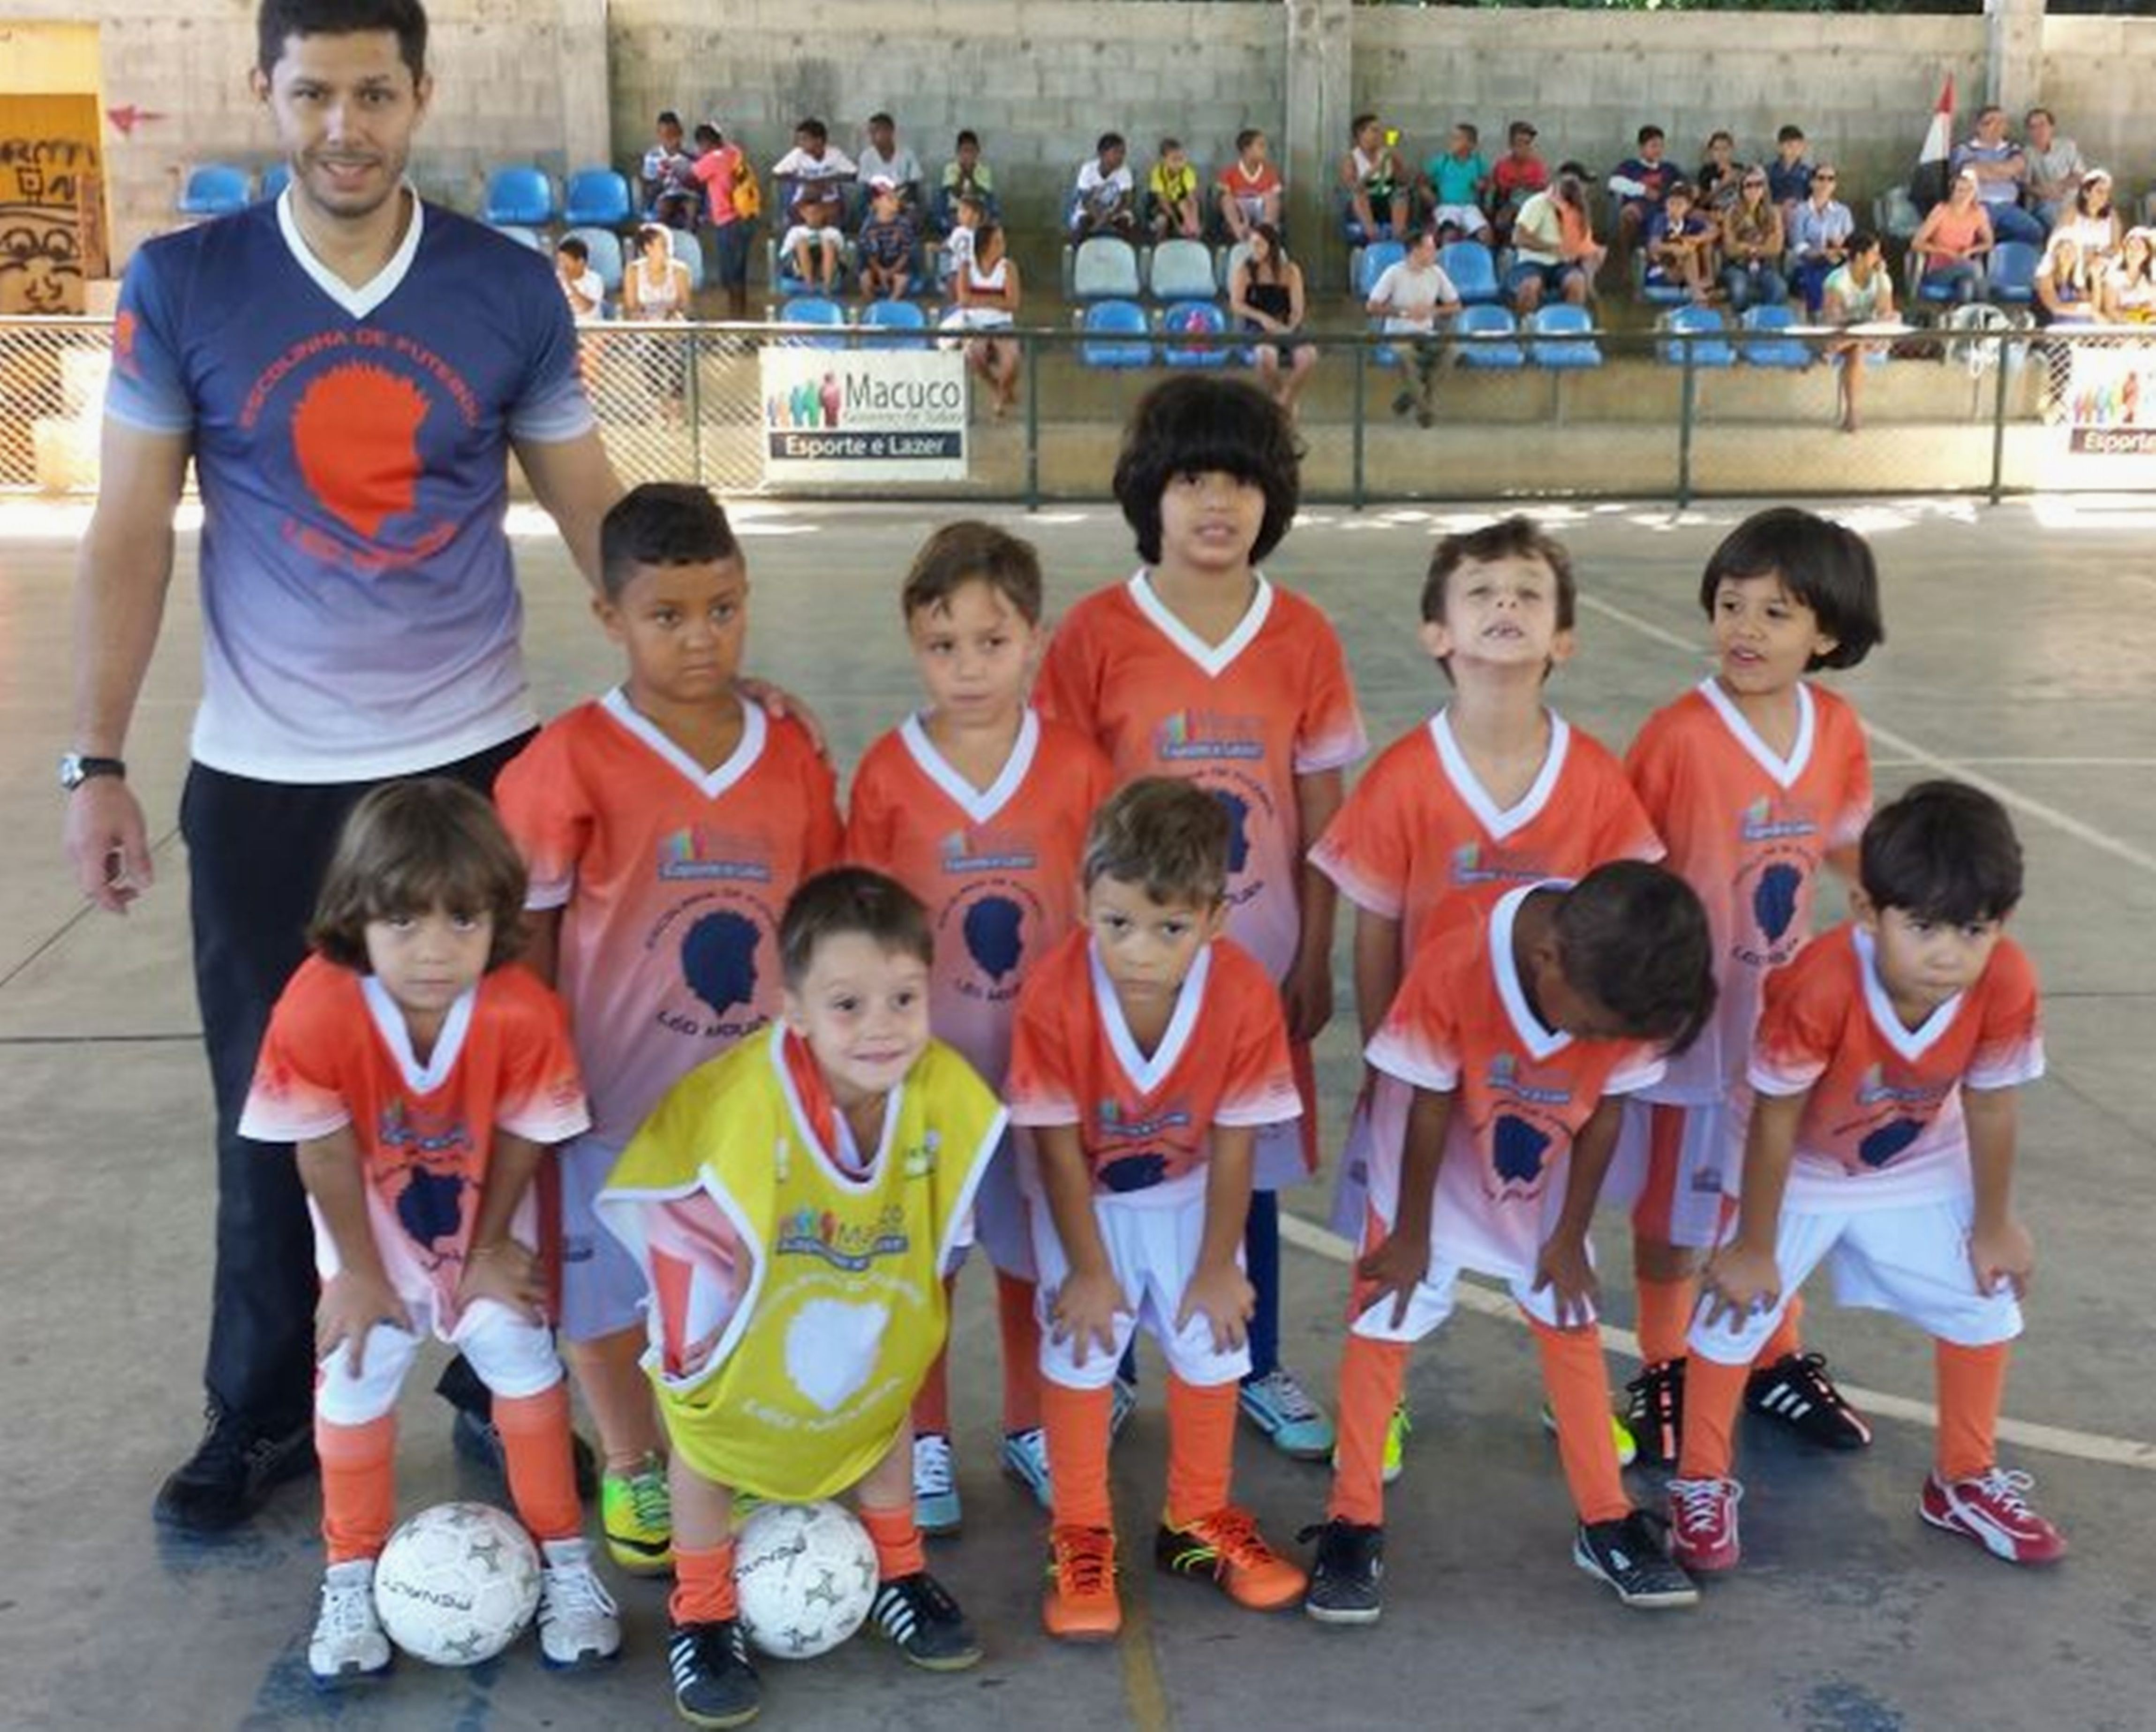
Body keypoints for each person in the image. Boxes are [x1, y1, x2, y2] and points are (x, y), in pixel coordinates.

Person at [72, 0, 622, 1537]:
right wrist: (95, 759)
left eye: (374, 93)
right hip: (265, 778)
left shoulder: (503, 286)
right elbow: (128, 531)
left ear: (420, 95)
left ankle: (498, 1371)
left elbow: (590, 503)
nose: (343, 126)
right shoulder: (186, 283)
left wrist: (689, 688)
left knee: (506, 1087)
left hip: (473, 763)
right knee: (274, 1107)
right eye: (312, 92)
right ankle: (263, 1407)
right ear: (266, 88)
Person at [495, 484, 840, 1580]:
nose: (701, 638)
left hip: (752, 1106)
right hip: (609, 1099)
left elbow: (823, 925)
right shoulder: (566, 761)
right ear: (610, 617)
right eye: (668, 615)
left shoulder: (790, 752)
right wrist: (539, 1083)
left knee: (747, 1283)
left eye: (723, 609)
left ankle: (728, 1445)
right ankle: (631, 1457)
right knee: (601, 1299)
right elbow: (528, 938)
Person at [1037, 377, 1367, 1468]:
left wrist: (1314, 948)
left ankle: (1249, 1354)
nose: (1216, 504)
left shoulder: (1303, 635)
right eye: (1190, 480)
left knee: (1245, 1158)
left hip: (1252, 962)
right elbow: (1064, 806)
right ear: (1150, 493)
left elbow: (1320, 806)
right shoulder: (1095, 633)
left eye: (1238, 481)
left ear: (1272, 497)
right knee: (1124, 1155)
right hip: (1125, 963)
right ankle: (1114, 1367)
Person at [598, 868, 1005, 1724]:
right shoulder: (741, 1107)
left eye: (903, 999)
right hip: (720, 1266)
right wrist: (709, 1345)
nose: (881, 1026)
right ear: (794, 1007)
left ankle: (901, 1570)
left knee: (881, 1403)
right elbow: (685, 1218)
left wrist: (891, 1313)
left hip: (853, 1267)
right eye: (847, 1004)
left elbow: (940, 1220)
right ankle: (702, 1612)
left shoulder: (941, 1091)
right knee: (711, 1439)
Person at [240, 779, 619, 1686]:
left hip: (485, 1228)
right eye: (403, 920)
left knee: (523, 1368)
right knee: (354, 1374)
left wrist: (486, 1250)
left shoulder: (521, 1010)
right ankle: (349, 1571)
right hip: (369, 1238)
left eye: (462, 918)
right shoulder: (316, 1007)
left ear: (498, 916)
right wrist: (358, 1274)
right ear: (356, 914)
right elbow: (322, 1149)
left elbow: (526, 1132)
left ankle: (565, 1560)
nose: (434, 948)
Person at [1309, 517, 1664, 1479]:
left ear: (1563, 638)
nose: (1504, 602)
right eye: (1480, 591)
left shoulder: (1593, 781)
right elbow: (1375, 925)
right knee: (1396, 1239)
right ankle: (1378, 1401)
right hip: (1432, 1062)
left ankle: (1570, 1395)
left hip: (1548, 1081)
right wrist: (1387, 1060)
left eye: (1527, 592)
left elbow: (1628, 920)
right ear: (1437, 632)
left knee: (1554, 1241)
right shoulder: (1403, 776)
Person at [1301, 862, 1716, 1625]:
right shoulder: (1458, 959)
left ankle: (1605, 1518)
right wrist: (1412, 1234)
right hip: (1424, 1171)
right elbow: (1428, 1105)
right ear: (1545, 961)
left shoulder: (1619, 980)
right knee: (1382, 1318)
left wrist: (1568, 1234)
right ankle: (1351, 1520)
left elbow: (1605, 1112)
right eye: (1591, 1030)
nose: (1598, 1043)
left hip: (1539, 1173)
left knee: (1570, 1319)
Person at [1668, 782, 2066, 1574]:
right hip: (1796, 1161)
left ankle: (1961, 1477)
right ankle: (1700, 1480)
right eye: (1921, 926)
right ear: (1864, 909)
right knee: (1735, 1306)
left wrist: (1994, 1223)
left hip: (1915, 1157)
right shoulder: (1819, 985)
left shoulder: (2005, 980)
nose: (1946, 953)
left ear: (2002, 922)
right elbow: (1775, 1118)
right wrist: (1752, 1244)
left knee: (1983, 1296)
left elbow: (1991, 1104)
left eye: (1972, 929)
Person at [846, 522, 1116, 1535]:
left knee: (1031, 1253)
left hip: (1043, 1071)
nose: (967, 666)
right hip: (927, 1074)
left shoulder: (1078, 767)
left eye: (991, 641)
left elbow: (1107, 915)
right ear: (913, 645)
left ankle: (1027, 1420)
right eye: (942, 644)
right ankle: (923, 1435)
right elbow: (860, 929)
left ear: (1035, 639)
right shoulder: (887, 772)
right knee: (924, 1261)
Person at [1615, 508, 1885, 1471]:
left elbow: (1849, 847)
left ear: (1827, 634)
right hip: (1688, 1024)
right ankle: (1664, 1364)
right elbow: (1628, 867)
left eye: (1776, 612)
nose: (1745, 628)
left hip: (1784, 1022)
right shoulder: (1676, 735)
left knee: (1768, 1198)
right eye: (1731, 604)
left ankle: (1770, 1353)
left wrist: (1903, 912)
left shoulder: (1834, 728)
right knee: (1670, 1212)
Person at [1009, 779, 1310, 1640]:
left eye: (1169, 928)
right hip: (1085, 1204)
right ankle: (1079, 1531)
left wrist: (1217, 1265)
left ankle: (1196, 1515)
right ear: (1082, 903)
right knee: (1081, 1346)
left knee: (1214, 1338)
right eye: (1117, 923)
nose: (1138, 950)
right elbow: (1056, 1149)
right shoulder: (1053, 995)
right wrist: (1088, 1269)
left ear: (1214, 919)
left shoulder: (1242, 993)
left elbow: (1236, 1144)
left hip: (1189, 1198)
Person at [1365, 227, 1462, 427]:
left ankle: (1413, 396)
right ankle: (1425, 410)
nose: (1435, 253)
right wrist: (1404, 313)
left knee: (1452, 352)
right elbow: (1372, 306)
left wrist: (1433, 311)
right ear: (1416, 250)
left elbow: (1455, 305)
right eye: (1430, 248)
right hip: (1399, 333)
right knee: (1406, 355)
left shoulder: (1437, 273)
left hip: (1426, 332)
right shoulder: (1394, 273)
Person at [1229, 223, 1316, 420]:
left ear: (1272, 246)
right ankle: (1280, 399)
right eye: (1252, 245)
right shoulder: (1245, 270)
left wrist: (1289, 327)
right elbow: (1237, 304)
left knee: (1308, 355)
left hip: (1285, 324)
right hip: (1257, 325)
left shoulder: (1291, 271)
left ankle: (1285, 398)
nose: (1254, 249)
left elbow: (1297, 309)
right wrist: (1262, 318)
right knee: (1265, 356)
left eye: (1259, 245)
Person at [1822, 232, 1899, 433]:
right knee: (1857, 348)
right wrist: (1859, 328)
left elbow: (1884, 313)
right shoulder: (1836, 280)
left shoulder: (1882, 279)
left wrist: (1880, 278)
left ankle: (1852, 414)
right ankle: (1853, 413)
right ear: (1858, 256)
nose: (1879, 259)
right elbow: (1833, 318)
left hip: (1871, 333)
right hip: (1846, 332)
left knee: (1887, 323)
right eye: (1874, 253)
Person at [949, 218, 1021, 419]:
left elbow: (1012, 303)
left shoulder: (1008, 268)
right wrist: (996, 299)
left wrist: (979, 300)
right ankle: (998, 389)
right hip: (975, 324)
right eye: (997, 242)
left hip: (1002, 324)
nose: (1002, 246)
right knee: (974, 355)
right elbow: (964, 300)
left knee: (1012, 359)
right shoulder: (966, 268)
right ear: (985, 245)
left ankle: (1003, 390)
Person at [623, 221, 693, 421]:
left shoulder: (680, 270)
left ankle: (677, 408)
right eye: (663, 244)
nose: (668, 249)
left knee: (676, 354)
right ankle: (657, 406)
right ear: (648, 248)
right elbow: (632, 306)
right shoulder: (633, 271)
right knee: (647, 350)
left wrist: (669, 318)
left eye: (669, 244)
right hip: (646, 323)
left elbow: (684, 304)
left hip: (672, 323)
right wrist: (648, 322)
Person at [1508, 170, 1602, 314]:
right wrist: (1550, 247)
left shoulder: (1579, 208)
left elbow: (1584, 246)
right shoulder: (1538, 203)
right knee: (1530, 285)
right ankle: (1526, 324)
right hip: (1533, 262)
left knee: (1577, 282)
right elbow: (1518, 237)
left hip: (1562, 264)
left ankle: (1570, 324)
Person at [688, 121, 755, 320]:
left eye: (700, 146)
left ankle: (735, 318)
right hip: (746, 218)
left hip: (729, 222)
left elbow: (691, 175)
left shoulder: (714, 158)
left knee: (730, 275)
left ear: (705, 143)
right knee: (739, 273)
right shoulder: (733, 152)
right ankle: (740, 315)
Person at [1951, 106, 2044, 248]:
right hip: (1979, 206)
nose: (1997, 127)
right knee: (1975, 237)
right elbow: (1971, 171)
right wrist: (2004, 172)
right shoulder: (1964, 149)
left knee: (2034, 231)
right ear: (1979, 127)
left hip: (2008, 206)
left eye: (2001, 122)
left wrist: (1987, 170)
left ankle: (2005, 255)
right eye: (1991, 122)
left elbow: (2016, 168)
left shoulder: (2012, 148)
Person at [1910, 169, 1994, 305]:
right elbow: (1916, 243)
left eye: (1969, 190)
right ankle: (1985, 308)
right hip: (1939, 271)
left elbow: (1989, 243)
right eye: (1960, 190)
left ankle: (1961, 315)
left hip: (1965, 269)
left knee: (1967, 286)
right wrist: (1947, 252)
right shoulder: (1941, 211)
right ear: (1952, 193)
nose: (1964, 195)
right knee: (1974, 269)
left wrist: (1971, 251)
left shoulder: (1978, 212)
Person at [1787, 164, 1854, 315]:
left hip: (1837, 261)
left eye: (1830, 179)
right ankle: (1818, 315)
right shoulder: (1800, 211)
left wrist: (1839, 248)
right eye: (1821, 178)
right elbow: (1798, 246)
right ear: (1812, 183)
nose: (1826, 183)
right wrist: (1822, 253)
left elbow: (1851, 243)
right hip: (1808, 262)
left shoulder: (1843, 212)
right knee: (1818, 276)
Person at [1719, 167, 1787, 311]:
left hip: (1765, 267)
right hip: (1737, 267)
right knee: (1740, 291)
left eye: (1758, 185)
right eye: (1749, 185)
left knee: (1779, 289)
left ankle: (1763, 320)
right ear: (1742, 190)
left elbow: (1776, 248)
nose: (1754, 189)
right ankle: (1742, 322)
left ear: (1765, 188)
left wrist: (1745, 247)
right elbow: (1730, 250)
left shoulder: (1774, 213)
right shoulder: (1731, 214)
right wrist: (1762, 247)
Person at [771, 116, 857, 225]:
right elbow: (776, 174)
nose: (800, 143)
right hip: (805, 197)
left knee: (829, 216)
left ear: (819, 140)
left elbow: (853, 174)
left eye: (804, 139)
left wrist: (826, 181)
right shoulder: (798, 154)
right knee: (807, 215)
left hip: (829, 198)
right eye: (799, 140)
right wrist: (805, 181)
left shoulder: (834, 154)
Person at [1643, 181, 1716, 305]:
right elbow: (1654, 245)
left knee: (1703, 246)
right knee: (1688, 252)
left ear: (1688, 207)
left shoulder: (1690, 222)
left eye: (1680, 205)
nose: (1675, 209)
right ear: (1666, 204)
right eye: (1671, 203)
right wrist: (1674, 248)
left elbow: (1714, 231)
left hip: (1685, 271)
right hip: (1664, 270)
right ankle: (1697, 291)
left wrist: (1697, 239)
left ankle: (1707, 281)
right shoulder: (1661, 220)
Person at [1341, 114, 1410, 242]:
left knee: (1401, 194)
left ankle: (1398, 236)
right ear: (1361, 134)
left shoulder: (1387, 154)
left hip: (1386, 200)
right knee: (1360, 195)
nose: (1380, 134)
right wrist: (1375, 169)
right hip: (1363, 202)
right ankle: (1372, 235)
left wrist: (1398, 163)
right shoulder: (1351, 159)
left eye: (1380, 130)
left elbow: (1404, 181)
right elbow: (1352, 187)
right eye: (1374, 130)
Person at [1610, 124, 1674, 260]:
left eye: (1661, 146)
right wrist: (1643, 190)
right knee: (1628, 214)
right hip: (1639, 209)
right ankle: (1625, 260)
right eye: (1653, 146)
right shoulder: (1631, 166)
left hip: (1664, 210)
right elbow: (1614, 183)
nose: (1658, 150)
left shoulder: (1669, 169)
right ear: (1642, 147)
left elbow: (1681, 185)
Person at [1423, 122, 1491, 242]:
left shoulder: (1478, 162)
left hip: (1470, 207)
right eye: (1453, 138)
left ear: (1471, 144)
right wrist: (1427, 193)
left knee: (1485, 234)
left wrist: (1482, 185)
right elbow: (1422, 180)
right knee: (1450, 234)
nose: (1453, 142)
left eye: (1458, 139)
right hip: (1447, 206)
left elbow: (1488, 182)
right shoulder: (1442, 161)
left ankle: (1481, 254)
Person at [2022, 107, 2085, 231]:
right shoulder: (2026, 153)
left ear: (2052, 127)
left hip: (2072, 201)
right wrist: (2042, 191)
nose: (2039, 131)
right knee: (2049, 211)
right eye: (2033, 127)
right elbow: (2024, 185)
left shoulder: (2067, 146)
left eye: (2042, 125)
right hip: (2046, 204)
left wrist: (2058, 186)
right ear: (2029, 132)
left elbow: (2080, 175)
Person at [1216, 128, 1283, 243]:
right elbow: (1224, 199)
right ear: (1247, 150)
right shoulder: (1229, 172)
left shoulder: (1270, 172)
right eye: (1261, 146)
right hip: (1239, 208)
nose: (1265, 150)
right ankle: (1239, 231)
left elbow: (1275, 199)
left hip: (1261, 208)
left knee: (1272, 197)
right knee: (1226, 199)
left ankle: (1265, 232)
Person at [857, 178, 919, 302]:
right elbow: (869, 255)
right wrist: (880, 271)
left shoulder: (904, 224)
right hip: (875, 267)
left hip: (897, 267)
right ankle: (872, 305)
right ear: (876, 203)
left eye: (896, 198)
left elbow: (906, 253)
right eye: (890, 199)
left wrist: (892, 271)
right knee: (865, 279)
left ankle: (891, 304)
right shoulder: (868, 226)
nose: (895, 201)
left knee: (901, 281)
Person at [1490, 120, 1549, 250]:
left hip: (1532, 204)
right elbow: (1503, 189)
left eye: (1528, 143)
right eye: (1520, 143)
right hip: (1509, 202)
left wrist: (1523, 185)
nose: (1525, 148)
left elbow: (1541, 188)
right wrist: (1522, 185)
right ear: (1511, 145)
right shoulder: (1503, 165)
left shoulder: (1537, 165)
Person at [1070, 133, 1138, 240]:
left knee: (1126, 224)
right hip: (1090, 211)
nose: (1120, 157)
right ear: (1102, 154)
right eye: (1116, 152)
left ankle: (1126, 250)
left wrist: (1108, 217)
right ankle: (1079, 250)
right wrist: (1099, 218)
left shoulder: (1124, 171)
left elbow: (1126, 200)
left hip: (1116, 212)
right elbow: (1085, 199)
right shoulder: (1088, 170)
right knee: (1082, 224)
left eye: (1123, 153)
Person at [641, 108, 700, 229]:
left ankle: (689, 237)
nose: (670, 140)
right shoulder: (653, 156)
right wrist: (660, 180)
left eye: (674, 135)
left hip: (687, 194)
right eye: (666, 136)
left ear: (681, 133)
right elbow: (649, 190)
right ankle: (663, 238)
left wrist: (685, 177)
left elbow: (699, 184)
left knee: (692, 208)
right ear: (659, 134)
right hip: (665, 194)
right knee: (664, 207)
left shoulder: (691, 155)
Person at [857, 111, 923, 217]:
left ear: (890, 132)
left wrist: (896, 197)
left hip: (901, 200)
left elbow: (913, 183)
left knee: (912, 209)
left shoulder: (907, 155)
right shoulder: (866, 156)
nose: (872, 137)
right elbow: (865, 185)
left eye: (876, 132)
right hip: (877, 201)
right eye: (871, 133)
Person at [2053, 168, 2122, 268]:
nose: (2104, 196)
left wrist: (2097, 256)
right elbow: (2057, 241)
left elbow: (2116, 247)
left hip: (2102, 266)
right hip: (2074, 265)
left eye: (2107, 192)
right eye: (2099, 192)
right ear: (2086, 193)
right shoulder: (2073, 212)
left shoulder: (2112, 215)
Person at [935, 129, 999, 232]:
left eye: (972, 151)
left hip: (976, 208)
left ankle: (984, 225)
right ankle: (948, 225)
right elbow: (955, 193)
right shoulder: (951, 168)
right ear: (958, 152)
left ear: (977, 152)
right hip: (956, 208)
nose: (968, 155)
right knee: (940, 195)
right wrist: (963, 173)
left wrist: (971, 174)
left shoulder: (983, 170)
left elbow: (983, 194)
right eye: (965, 151)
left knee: (991, 199)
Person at [1144, 137, 1204, 241]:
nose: (1179, 164)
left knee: (1184, 204)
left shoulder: (1187, 171)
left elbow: (1192, 200)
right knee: (1162, 220)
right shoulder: (1158, 173)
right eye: (1174, 160)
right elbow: (1163, 202)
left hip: (1182, 205)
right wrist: (1177, 225)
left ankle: (1192, 235)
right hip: (1164, 207)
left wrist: (1195, 222)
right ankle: (1161, 242)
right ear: (1164, 160)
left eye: (1181, 159)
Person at [779, 196, 843, 292]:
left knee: (828, 243)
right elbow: (784, 256)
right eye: (810, 214)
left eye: (817, 213)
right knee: (801, 242)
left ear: (824, 213)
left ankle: (827, 287)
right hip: (799, 267)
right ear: (803, 214)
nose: (813, 217)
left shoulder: (833, 233)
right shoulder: (796, 231)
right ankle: (809, 286)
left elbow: (842, 257)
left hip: (825, 265)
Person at [2034, 233, 2099, 326]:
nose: (2068, 254)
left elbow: (2094, 306)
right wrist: (2083, 308)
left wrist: (2096, 278)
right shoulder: (2046, 278)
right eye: (2064, 250)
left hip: (2081, 325)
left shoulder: (2076, 281)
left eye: (2072, 251)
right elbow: (2055, 308)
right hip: (2055, 326)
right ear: (2056, 254)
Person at [2101, 226, 2156, 323]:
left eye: (2138, 248)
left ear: (2147, 253)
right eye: (2131, 248)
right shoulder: (2113, 278)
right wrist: (2131, 322)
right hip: (2122, 328)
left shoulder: (2152, 278)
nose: (2134, 252)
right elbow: (2111, 310)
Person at [1765, 124, 1815, 224]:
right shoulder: (1768, 171)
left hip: (1800, 217)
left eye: (1798, 146)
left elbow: (1813, 200)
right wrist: (1778, 208)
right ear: (1780, 147)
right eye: (1789, 146)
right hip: (1774, 217)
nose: (1794, 150)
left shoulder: (1808, 173)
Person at [555, 234, 604, 321]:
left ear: (581, 262)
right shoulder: (554, 279)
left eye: (565, 261)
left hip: (590, 326)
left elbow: (586, 307)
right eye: (560, 261)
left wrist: (569, 284)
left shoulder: (595, 280)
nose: (562, 265)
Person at [1695, 129, 1741, 214]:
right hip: (1713, 214)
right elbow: (1702, 203)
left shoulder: (1739, 169)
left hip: (1735, 214)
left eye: (1725, 149)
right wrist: (1723, 184)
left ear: (1732, 150)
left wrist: (1737, 180)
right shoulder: (1706, 171)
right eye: (1716, 149)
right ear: (1711, 152)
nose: (1721, 154)